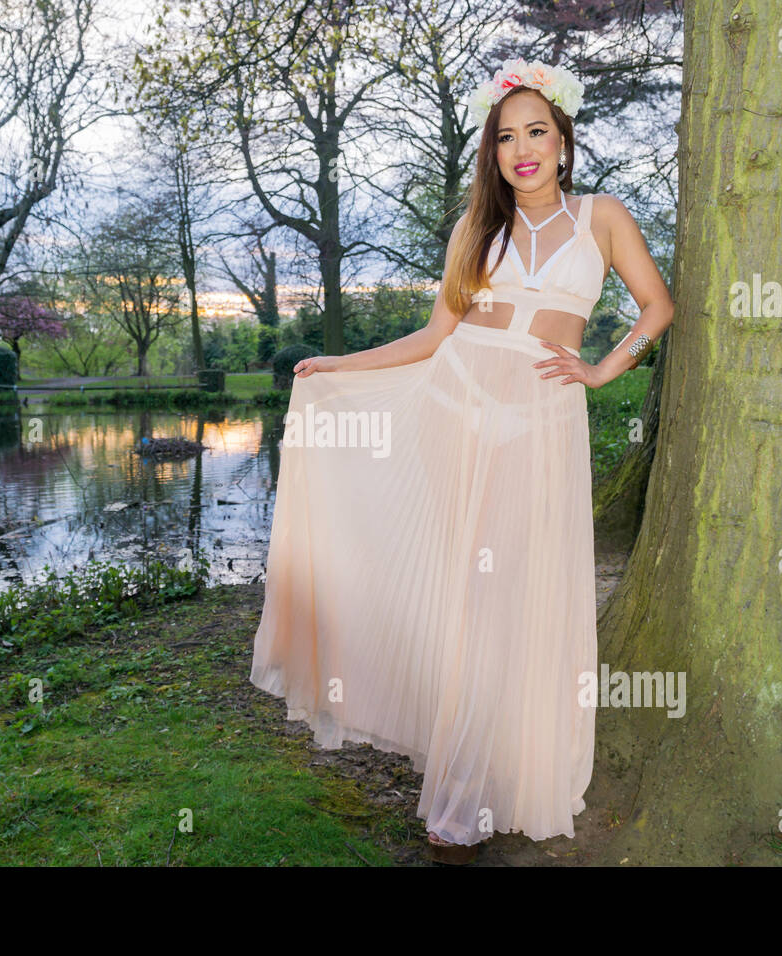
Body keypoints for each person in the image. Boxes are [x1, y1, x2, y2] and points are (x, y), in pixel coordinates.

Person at [250, 58, 675, 864]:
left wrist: (603, 368)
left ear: (563, 141)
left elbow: (659, 306)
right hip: (455, 415)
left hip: (541, 428)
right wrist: (338, 366)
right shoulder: (476, 229)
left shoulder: (603, 217)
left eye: (536, 132)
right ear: (493, 150)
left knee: (517, 598)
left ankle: (510, 771)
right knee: (461, 598)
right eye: (506, 136)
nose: (523, 149)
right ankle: (457, 796)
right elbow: (434, 338)